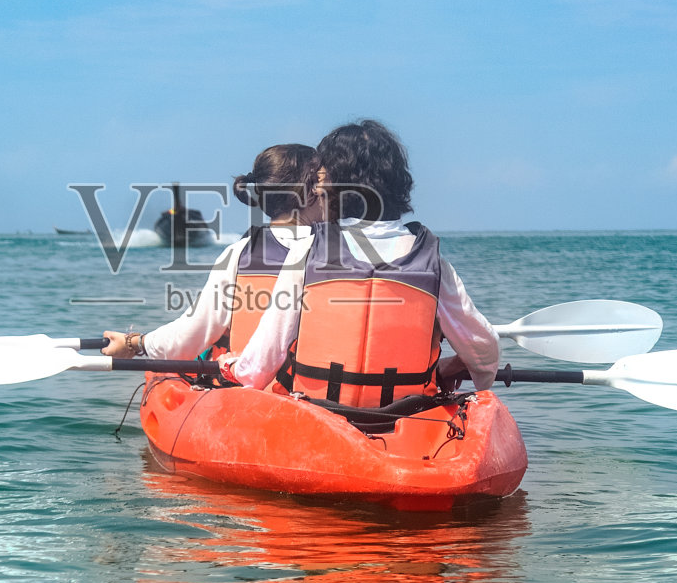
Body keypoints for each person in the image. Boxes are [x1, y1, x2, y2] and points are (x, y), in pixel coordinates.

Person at [224, 119, 499, 404]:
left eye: (321, 177)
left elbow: (259, 368)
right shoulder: (433, 263)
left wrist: (233, 367)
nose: (316, 188)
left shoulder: (306, 251)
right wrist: (456, 368)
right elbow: (485, 350)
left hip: (319, 417)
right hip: (406, 418)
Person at [100, 144, 319, 360]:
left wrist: (134, 344)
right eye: (324, 184)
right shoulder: (340, 253)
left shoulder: (239, 254)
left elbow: (190, 336)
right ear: (310, 193)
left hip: (253, 386)